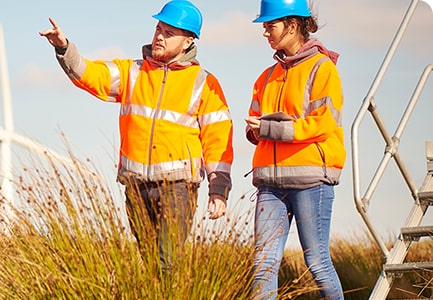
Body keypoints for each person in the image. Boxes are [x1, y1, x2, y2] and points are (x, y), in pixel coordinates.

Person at [39, 0, 234, 271]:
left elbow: (218, 138)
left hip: (177, 188)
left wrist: (218, 189)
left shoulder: (204, 83)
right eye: (158, 29)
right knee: (150, 263)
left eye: (169, 33)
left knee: (167, 264)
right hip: (136, 185)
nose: (159, 36)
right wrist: (64, 48)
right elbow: (89, 74)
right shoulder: (132, 72)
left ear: (188, 42)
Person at [244, 0, 345, 298]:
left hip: (311, 181)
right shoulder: (266, 76)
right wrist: (255, 130)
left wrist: (270, 128)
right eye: (264, 26)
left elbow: (322, 124)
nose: (265, 32)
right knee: (262, 266)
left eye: (270, 26)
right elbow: (255, 124)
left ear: (292, 25)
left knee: (317, 263)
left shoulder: (322, 69)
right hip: (270, 185)